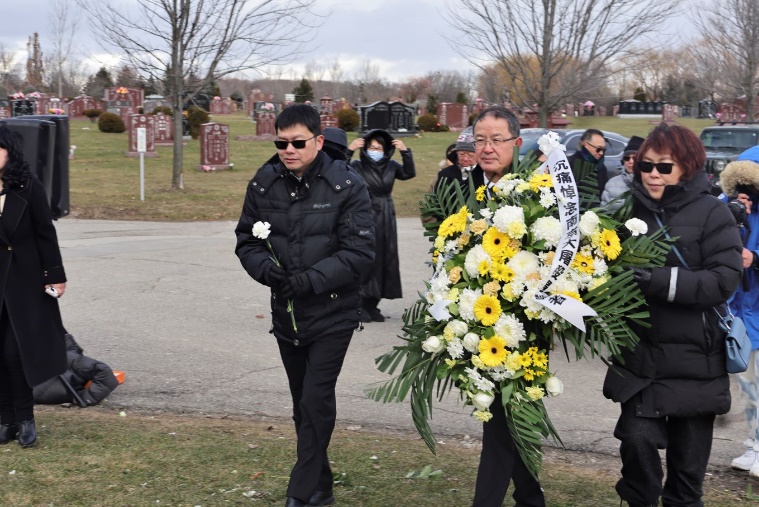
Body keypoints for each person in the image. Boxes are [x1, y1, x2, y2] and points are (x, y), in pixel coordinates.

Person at [234, 104, 375, 507]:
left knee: (316, 398)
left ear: (317, 140)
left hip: (334, 310)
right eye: (281, 142)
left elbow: (360, 251)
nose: (288, 150)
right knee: (302, 404)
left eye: (297, 142)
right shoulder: (264, 182)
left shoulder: (347, 184)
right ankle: (322, 486)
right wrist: (266, 270)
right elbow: (247, 239)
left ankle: (299, 492)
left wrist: (310, 281)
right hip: (288, 314)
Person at [602, 124, 743, 507]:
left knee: (686, 479)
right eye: (645, 165)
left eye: (664, 167)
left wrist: (655, 280)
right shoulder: (624, 212)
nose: (652, 174)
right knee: (636, 441)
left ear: (688, 167)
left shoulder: (714, 213)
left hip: (697, 362)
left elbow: (724, 280)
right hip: (642, 360)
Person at [467, 106, 544, 507]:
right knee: (506, 421)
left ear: (517, 143)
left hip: (525, 327)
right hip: (475, 322)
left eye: (497, 140)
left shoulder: (538, 191)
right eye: (480, 140)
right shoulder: (462, 186)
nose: (487, 148)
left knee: (502, 422)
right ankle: (531, 497)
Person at [0, 125, 68, 448]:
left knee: (15, 353)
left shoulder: (29, 187)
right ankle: (5, 420)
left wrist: (55, 274)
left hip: (23, 283)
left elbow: (45, 233)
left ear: (9, 151)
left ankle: (25, 419)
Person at [347, 129, 415, 322]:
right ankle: (359, 303)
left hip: (386, 214)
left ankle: (373, 303)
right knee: (366, 258)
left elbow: (409, 173)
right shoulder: (357, 166)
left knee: (385, 257)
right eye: (371, 147)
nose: (375, 150)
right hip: (365, 212)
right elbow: (339, 170)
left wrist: (405, 152)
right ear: (365, 148)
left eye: (379, 147)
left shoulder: (391, 166)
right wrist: (349, 150)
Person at [719, 147, 759, 477]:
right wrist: (734, 219)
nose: (745, 191)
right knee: (748, 387)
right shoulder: (726, 207)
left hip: (757, 307)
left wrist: (755, 257)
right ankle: (753, 445)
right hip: (739, 314)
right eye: (740, 184)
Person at [600, 135, 645, 212]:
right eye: (627, 158)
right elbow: (603, 212)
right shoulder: (611, 184)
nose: (630, 161)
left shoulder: (651, 183)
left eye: (634, 158)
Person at [567, 128, 608, 203]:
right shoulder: (568, 165)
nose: (601, 153)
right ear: (585, 144)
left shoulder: (601, 167)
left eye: (604, 150)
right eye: (598, 149)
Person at [433, 127, 478, 192]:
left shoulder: (486, 173)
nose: (465, 159)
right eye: (461, 154)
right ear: (457, 153)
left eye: (470, 155)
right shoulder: (445, 174)